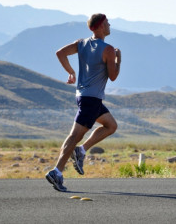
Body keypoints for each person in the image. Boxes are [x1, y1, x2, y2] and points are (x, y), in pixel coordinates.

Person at [46, 13, 121, 192]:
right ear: (101, 26)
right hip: (92, 99)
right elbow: (113, 76)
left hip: (84, 96)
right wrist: (119, 59)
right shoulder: (109, 49)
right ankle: (57, 171)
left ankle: (81, 151)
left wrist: (71, 72)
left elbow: (60, 53)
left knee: (111, 126)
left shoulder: (81, 43)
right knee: (74, 136)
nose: (110, 25)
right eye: (108, 23)